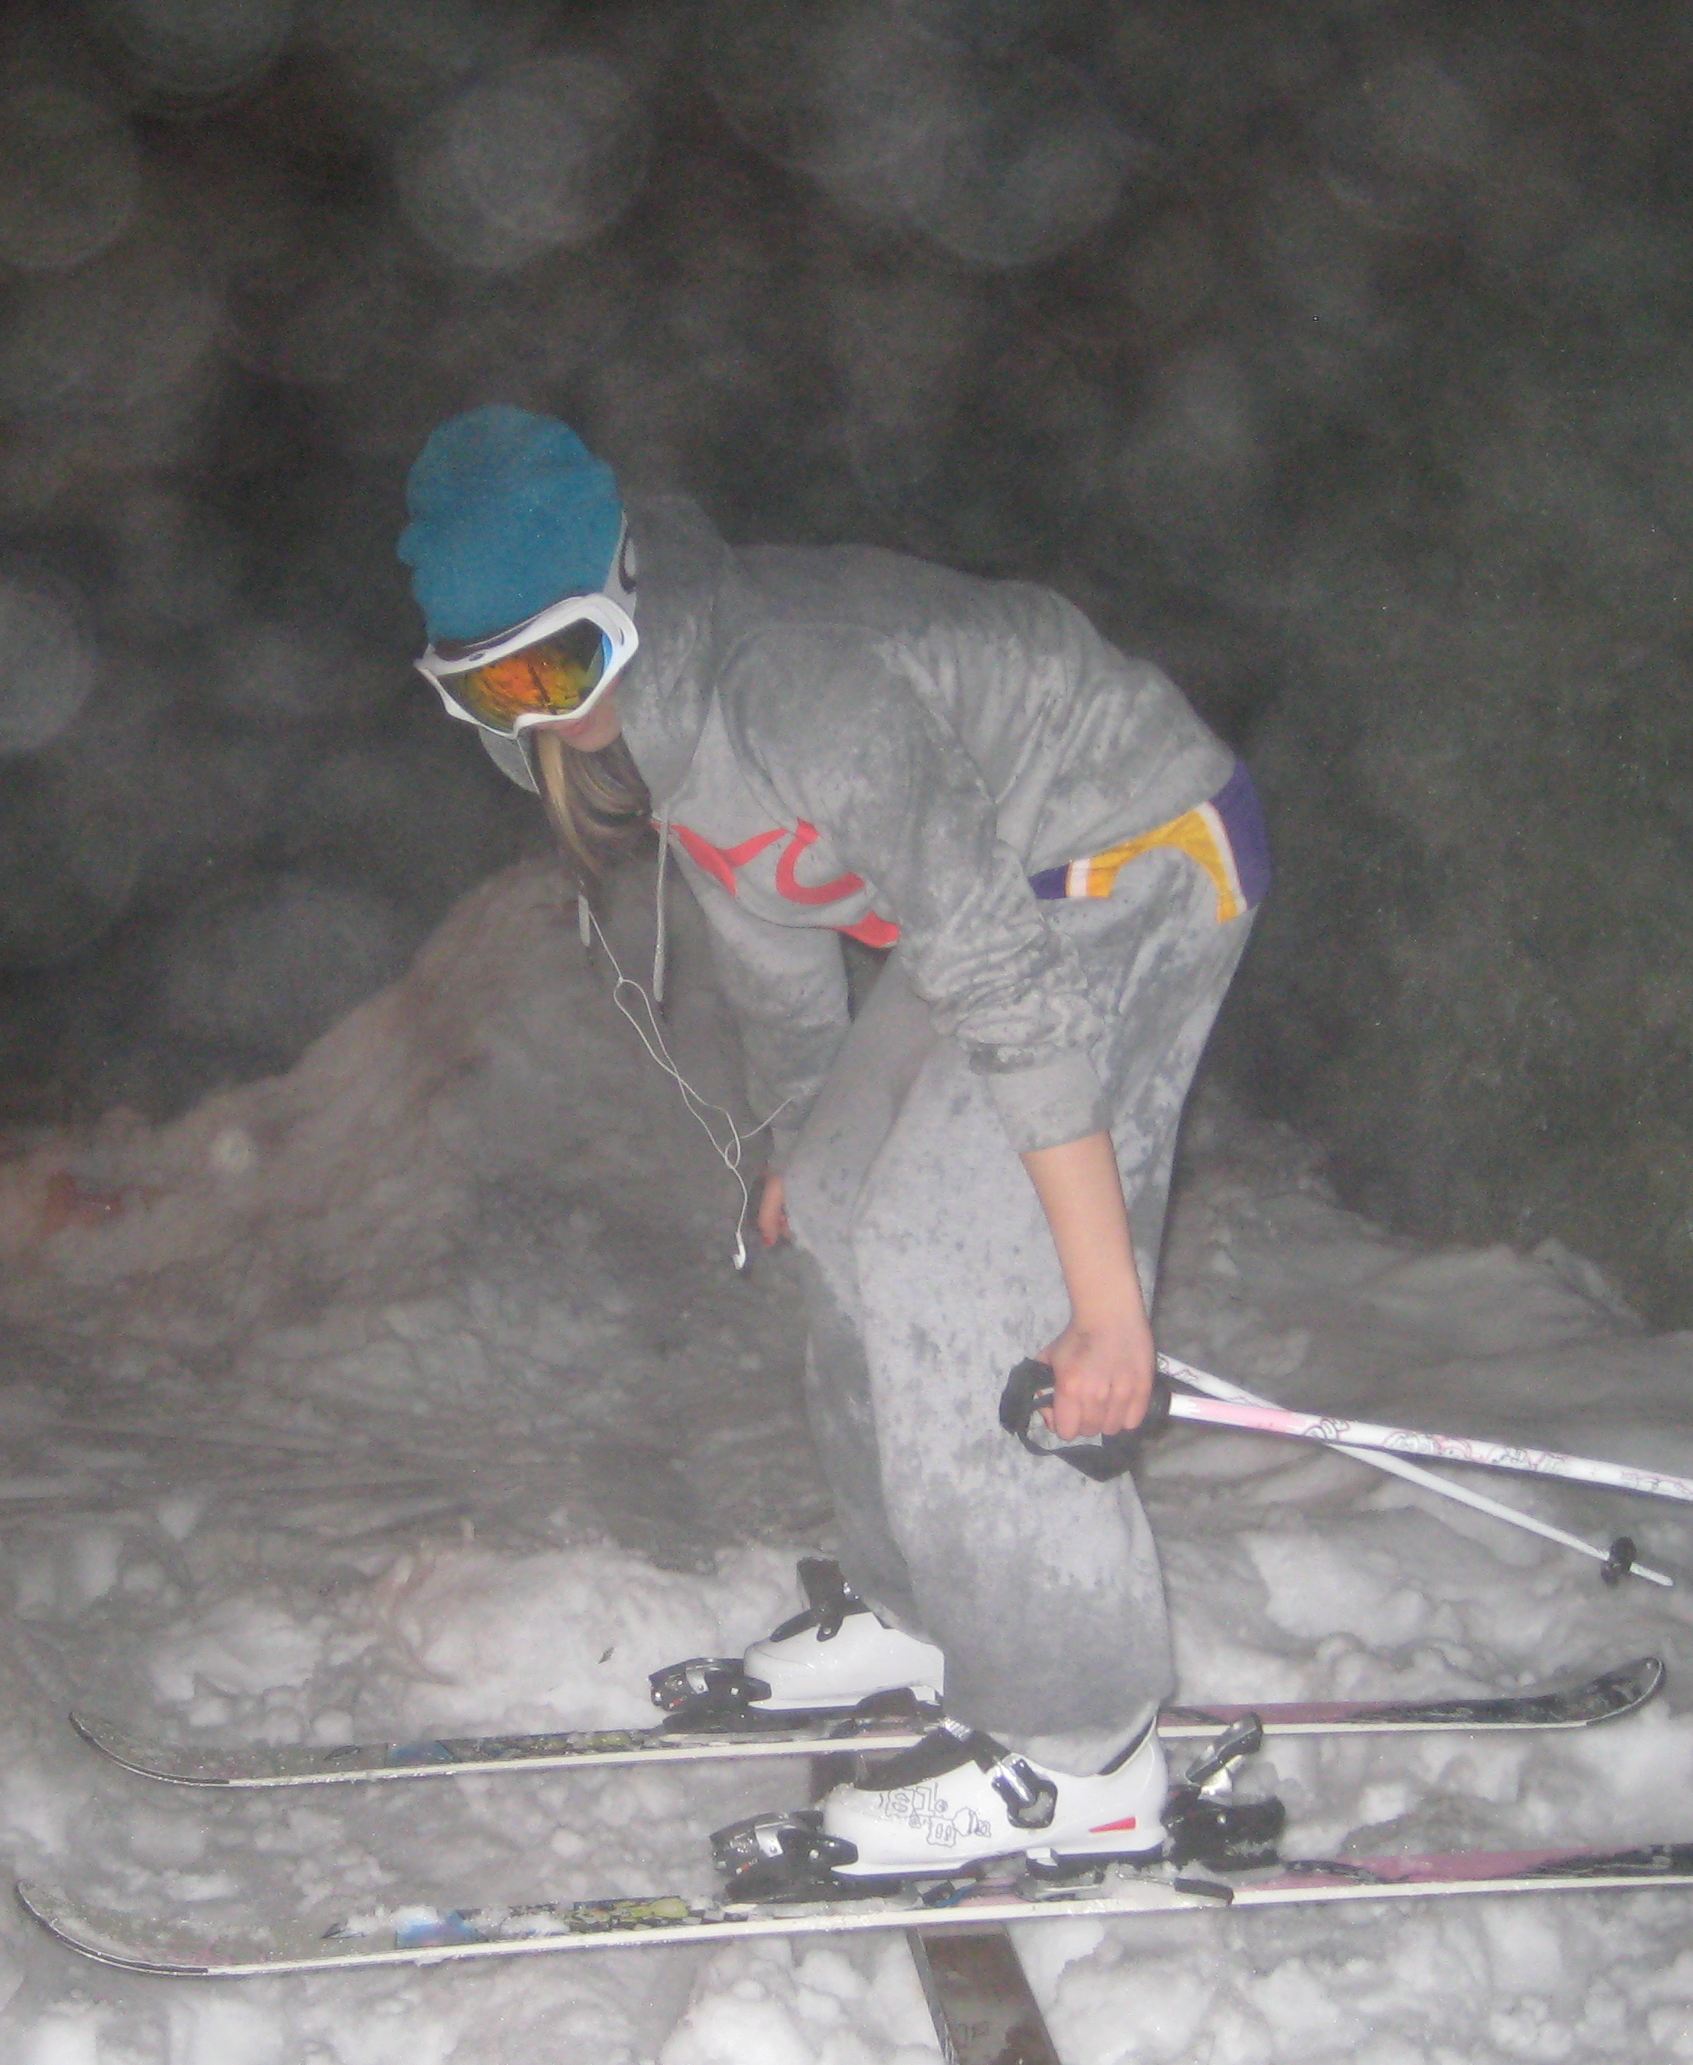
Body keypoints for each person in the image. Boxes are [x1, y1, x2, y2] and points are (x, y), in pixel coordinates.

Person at [397, 407, 1264, 1881]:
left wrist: (1104, 1309)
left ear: (625, 600)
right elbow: (771, 920)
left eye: (561, 665)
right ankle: (921, 1610)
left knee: (951, 1253)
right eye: (493, 691)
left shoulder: (796, 687)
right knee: (855, 1204)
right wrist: (807, 1137)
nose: (546, 715)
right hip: (1010, 890)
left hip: (1142, 843)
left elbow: (1002, 978)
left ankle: (1083, 1751)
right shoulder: (654, 726)